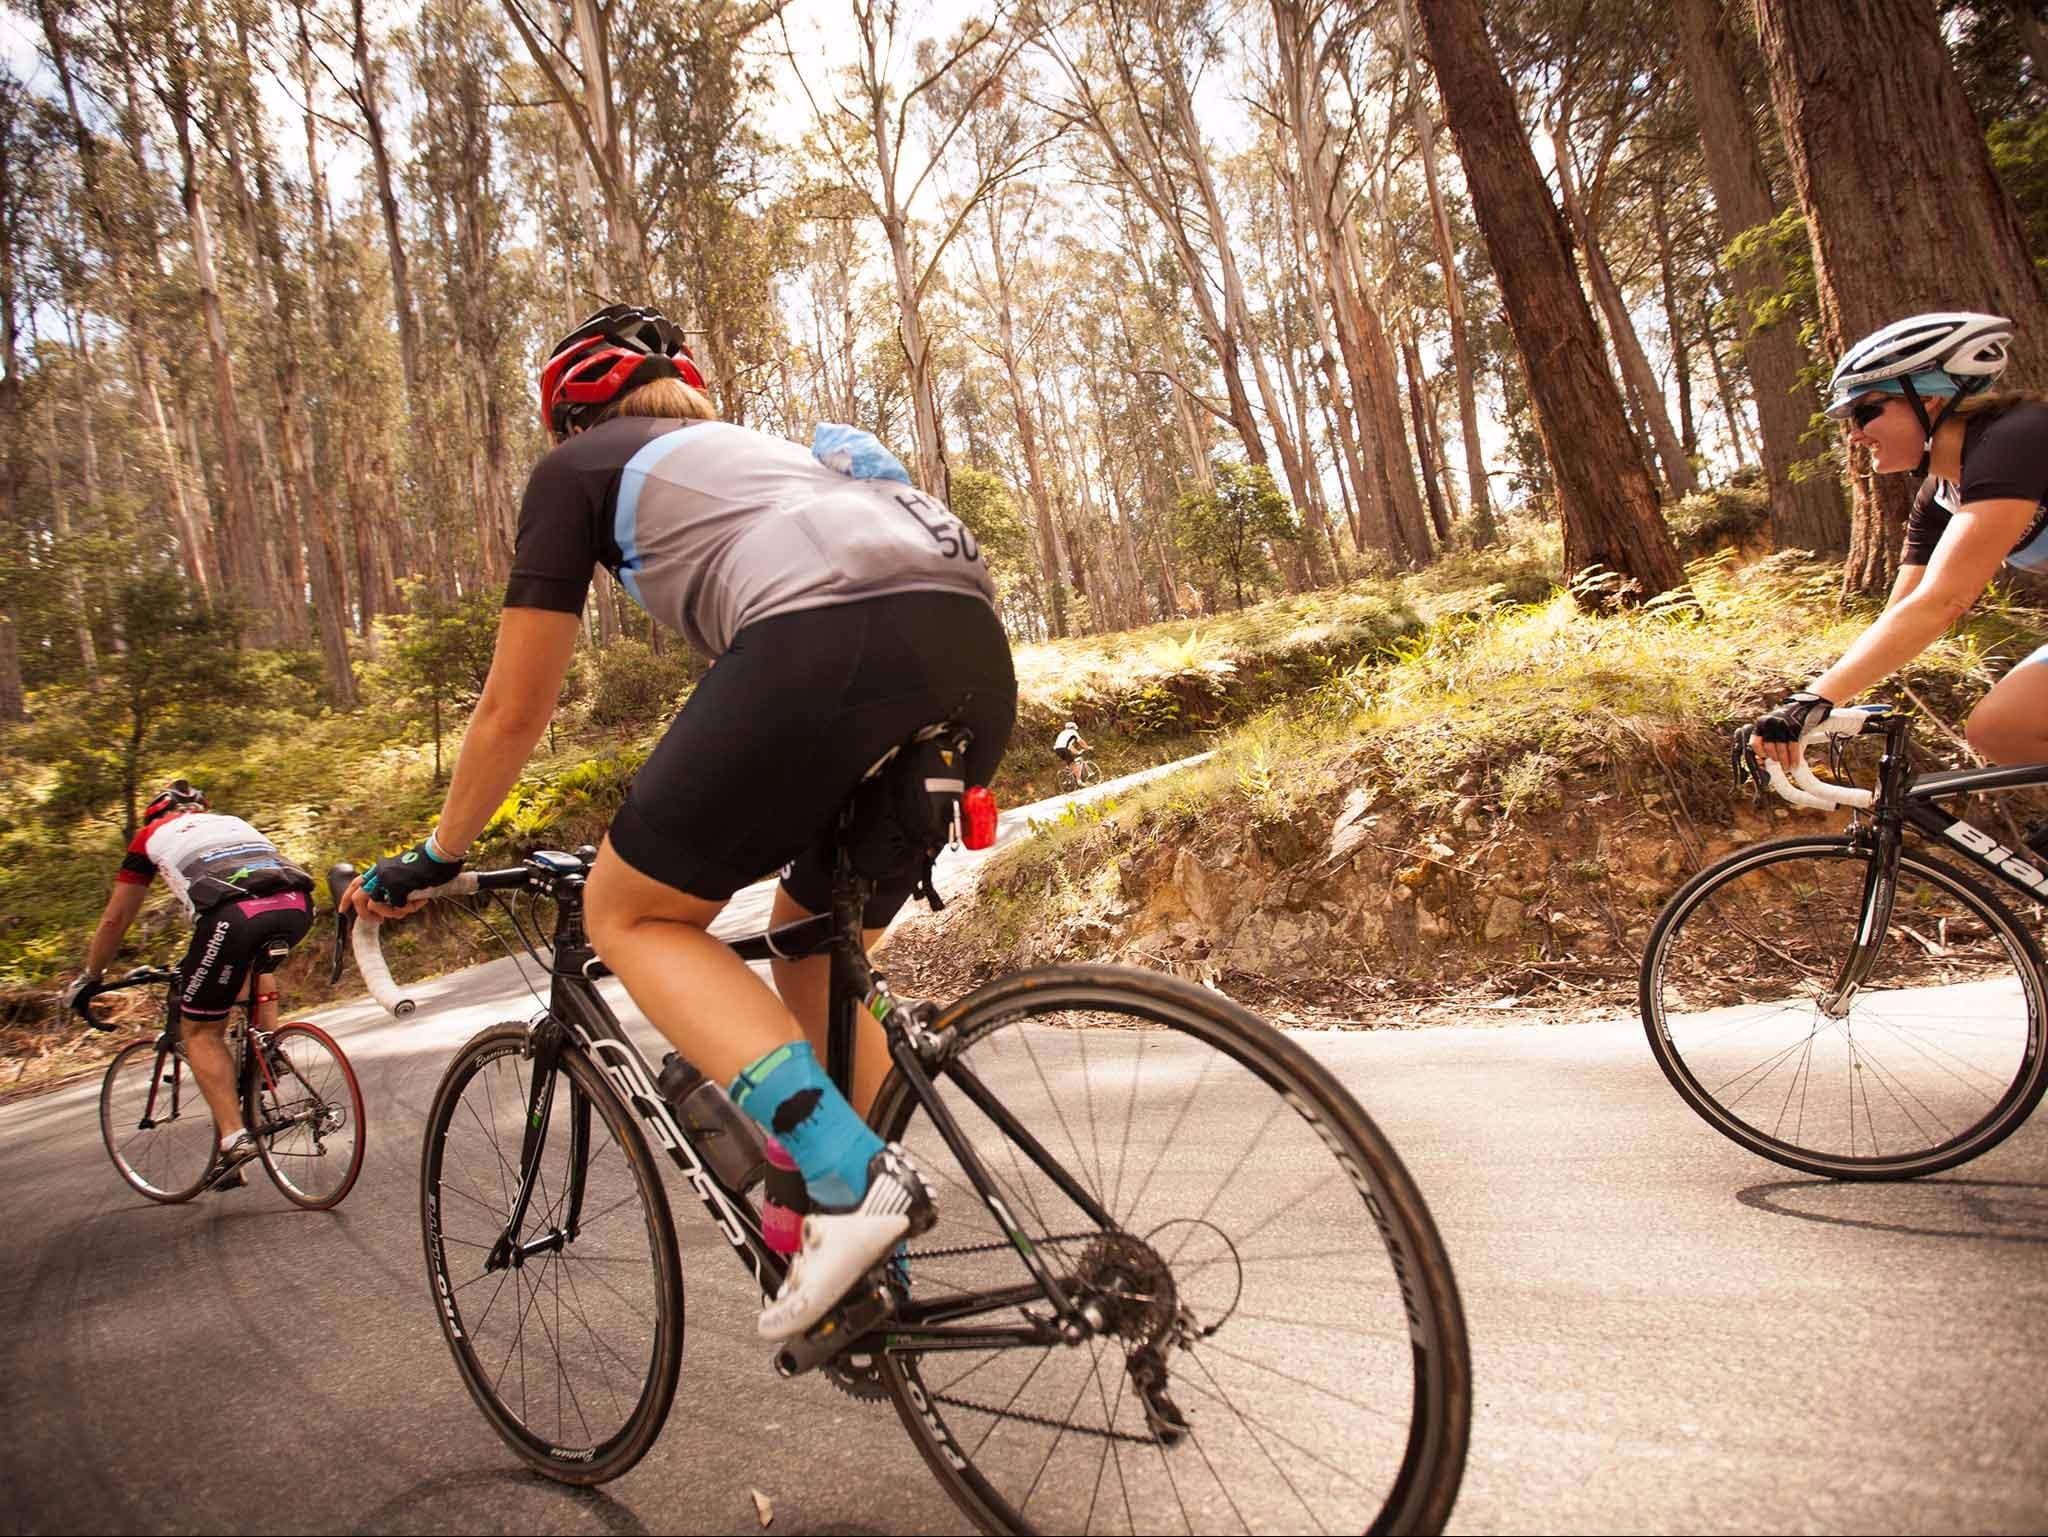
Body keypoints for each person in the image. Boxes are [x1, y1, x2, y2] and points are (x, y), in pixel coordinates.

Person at [344, 303, 1015, 1342]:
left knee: (631, 913)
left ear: (572, 416)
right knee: (807, 944)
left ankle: (852, 1182)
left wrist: (437, 855)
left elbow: (514, 708)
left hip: (824, 635)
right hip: (975, 649)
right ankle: (874, 1250)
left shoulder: (578, 468)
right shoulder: (772, 458)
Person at [1744, 312, 2048, 826]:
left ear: (1927, 398)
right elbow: (1903, 612)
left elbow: (1943, 600)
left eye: (1865, 412)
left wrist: (1813, 700)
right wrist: (1819, 704)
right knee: (2000, 728)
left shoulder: (2016, 437)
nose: (1855, 435)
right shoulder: (1941, 494)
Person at [65, 781, 316, 1187]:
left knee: (200, 1030)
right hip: (297, 903)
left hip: (232, 915)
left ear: (155, 815)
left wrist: (91, 977)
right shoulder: (229, 821)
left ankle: (234, 1138)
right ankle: (268, 1053)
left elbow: (116, 919)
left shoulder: (149, 836)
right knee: (250, 966)